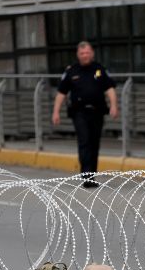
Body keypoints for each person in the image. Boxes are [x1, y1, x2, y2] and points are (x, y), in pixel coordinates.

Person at [51, 41, 119, 187]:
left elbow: (110, 89)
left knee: (94, 143)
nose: (85, 55)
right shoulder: (71, 71)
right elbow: (61, 93)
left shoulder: (99, 69)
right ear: (78, 55)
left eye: (87, 52)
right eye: (82, 53)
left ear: (92, 53)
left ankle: (92, 176)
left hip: (97, 111)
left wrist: (114, 106)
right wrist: (56, 112)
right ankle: (86, 176)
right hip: (79, 112)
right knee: (84, 141)